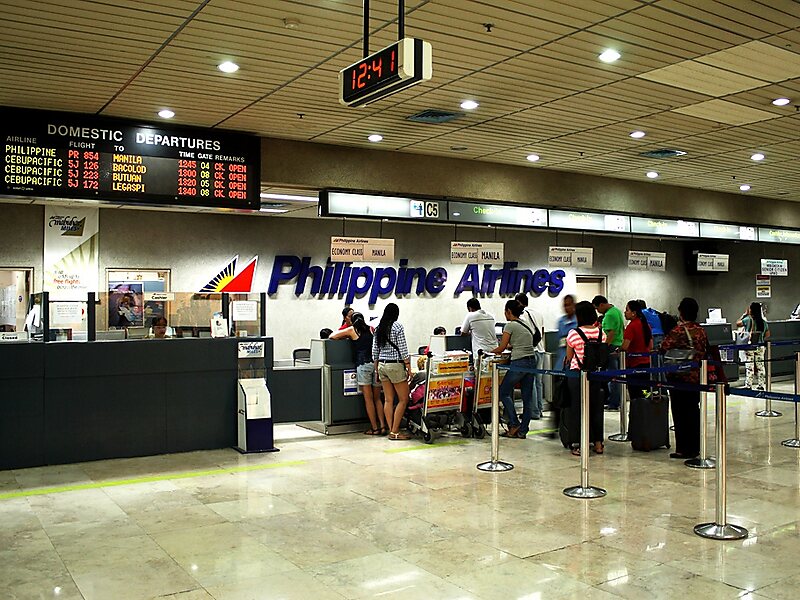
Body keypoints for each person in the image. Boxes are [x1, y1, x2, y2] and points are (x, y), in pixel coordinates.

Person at [659, 297, 708, 460]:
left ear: (681, 312)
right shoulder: (701, 330)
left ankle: (683, 448)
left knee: (680, 413)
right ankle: (695, 447)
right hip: (696, 377)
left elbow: (664, 346)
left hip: (679, 377)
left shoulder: (679, 331)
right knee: (693, 411)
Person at [331, 313, 387, 435]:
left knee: (368, 399)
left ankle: (374, 428)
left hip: (363, 365)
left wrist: (345, 337)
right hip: (376, 365)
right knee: (378, 399)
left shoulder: (352, 330)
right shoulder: (371, 329)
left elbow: (332, 336)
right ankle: (383, 426)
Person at [490, 300, 536, 439]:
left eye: (505, 311)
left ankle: (514, 423)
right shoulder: (525, 324)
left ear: (509, 311)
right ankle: (523, 431)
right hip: (531, 361)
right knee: (527, 398)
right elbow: (521, 342)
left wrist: (489, 351)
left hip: (519, 362)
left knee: (503, 392)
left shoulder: (509, 325)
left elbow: (501, 347)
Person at [565, 301, 605, 455]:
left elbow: (569, 357)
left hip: (577, 376)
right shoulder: (601, 333)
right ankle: (598, 443)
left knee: (577, 409)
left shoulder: (574, 333)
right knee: (596, 409)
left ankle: (578, 444)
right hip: (596, 375)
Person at [372, 303, 413, 440]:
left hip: (382, 366)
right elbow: (403, 348)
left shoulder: (378, 328)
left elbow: (375, 351)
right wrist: (408, 367)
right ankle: (395, 432)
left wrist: (377, 370)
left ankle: (391, 430)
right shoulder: (397, 327)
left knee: (388, 400)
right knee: (404, 399)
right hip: (395, 366)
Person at [592, 295, 624, 411]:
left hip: (611, 347)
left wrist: (604, 348)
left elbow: (610, 333)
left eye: (597, 308)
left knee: (613, 377)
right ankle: (615, 400)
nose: (597, 311)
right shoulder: (616, 311)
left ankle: (614, 402)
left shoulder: (609, 314)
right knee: (616, 375)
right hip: (618, 345)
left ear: (601, 304)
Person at [515, 293, 544, 419]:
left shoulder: (523, 315)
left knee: (530, 382)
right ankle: (540, 409)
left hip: (530, 351)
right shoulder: (538, 313)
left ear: (519, 303)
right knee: (538, 382)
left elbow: (525, 333)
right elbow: (541, 331)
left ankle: (534, 412)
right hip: (541, 350)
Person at [622, 300, 653, 400]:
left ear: (633, 313)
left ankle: (636, 414)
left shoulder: (631, 326)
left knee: (635, 394)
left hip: (634, 365)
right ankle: (646, 412)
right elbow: (651, 345)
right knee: (645, 392)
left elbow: (625, 346)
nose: (624, 312)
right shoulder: (646, 325)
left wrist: (619, 349)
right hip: (646, 363)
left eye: (627, 310)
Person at [736, 302, 771, 390]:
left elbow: (737, 323)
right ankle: (761, 385)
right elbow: (767, 334)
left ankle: (748, 385)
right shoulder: (763, 322)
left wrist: (744, 314)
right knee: (760, 366)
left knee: (749, 366)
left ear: (751, 310)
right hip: (760, 346)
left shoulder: (748, 319)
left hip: (750, 346)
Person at [555, 295, 577, 371]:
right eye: (565, 305)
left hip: (575, 358)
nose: (566, 308)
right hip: (562, 356)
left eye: (568, 305)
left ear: (573, 305)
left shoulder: (578, 320)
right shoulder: (561, 321)